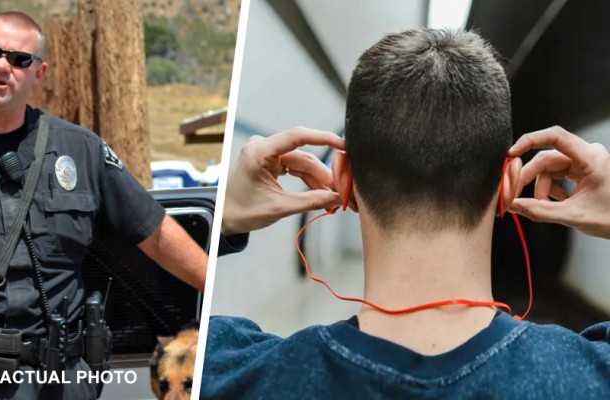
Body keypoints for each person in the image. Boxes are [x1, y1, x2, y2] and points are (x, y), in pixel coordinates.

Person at [202, 29, 610, 399]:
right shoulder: (592, 377)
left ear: (342, 180)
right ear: (508, 184)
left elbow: (168, 326)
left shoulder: (228, 376)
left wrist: (224, 220)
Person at [0, 11, 207, 400]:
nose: (2, 66)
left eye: (20, 60)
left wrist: (218, 287)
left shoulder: (81, 151)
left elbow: (154, 232)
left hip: (58, 379)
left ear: (39, 73)